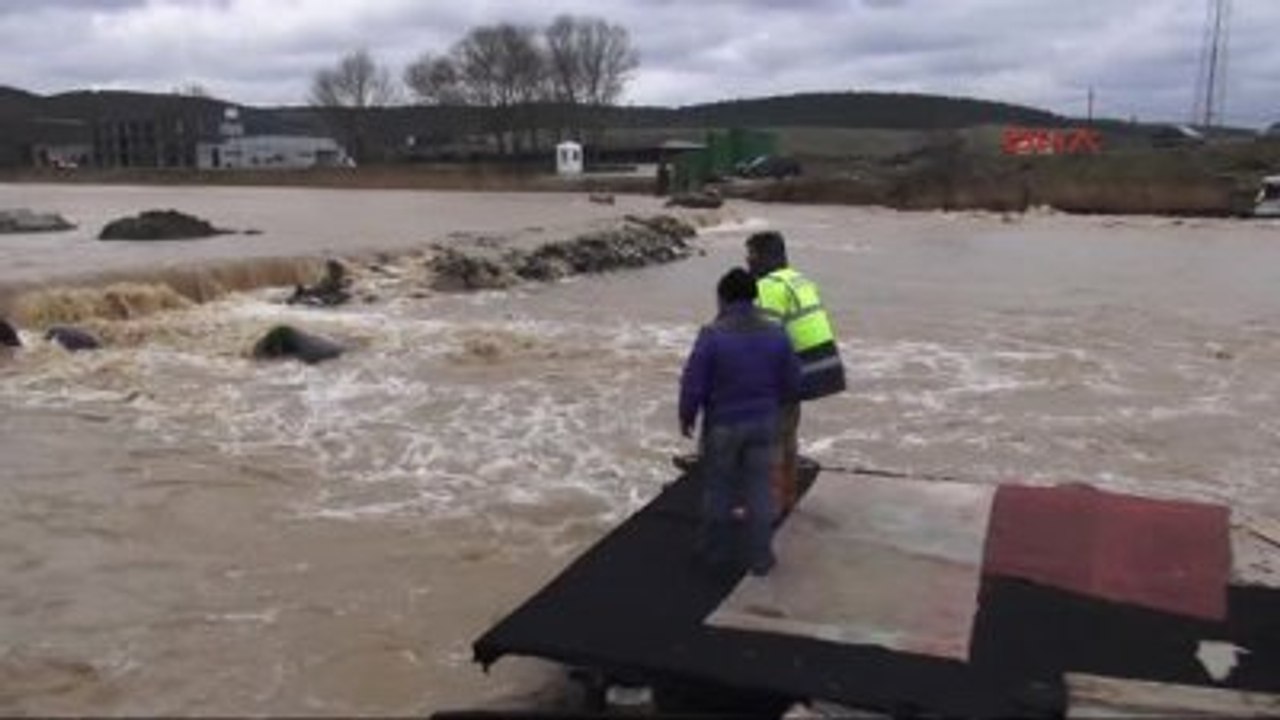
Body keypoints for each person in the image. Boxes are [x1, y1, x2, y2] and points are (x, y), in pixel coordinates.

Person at [680, 268, 800, 576]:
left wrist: (687, 415)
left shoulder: (713, 335)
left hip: (723, 424)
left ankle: (715, 554)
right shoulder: (777, 333)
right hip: (764, 423)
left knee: (719, 488)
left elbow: (694, 382)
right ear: (754, 298)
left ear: (723, 298)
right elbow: (792, 380)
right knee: (760, 489)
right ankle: (760, 558)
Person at [745, 230, 846, 516]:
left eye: (751, 256)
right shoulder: (799, 280)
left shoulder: (768, 287)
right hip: (822, 367)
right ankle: (787, 498)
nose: (747, 262)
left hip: (798, 369)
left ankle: (769, 508)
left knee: (768, 437)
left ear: (763, 258)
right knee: (787, 431)